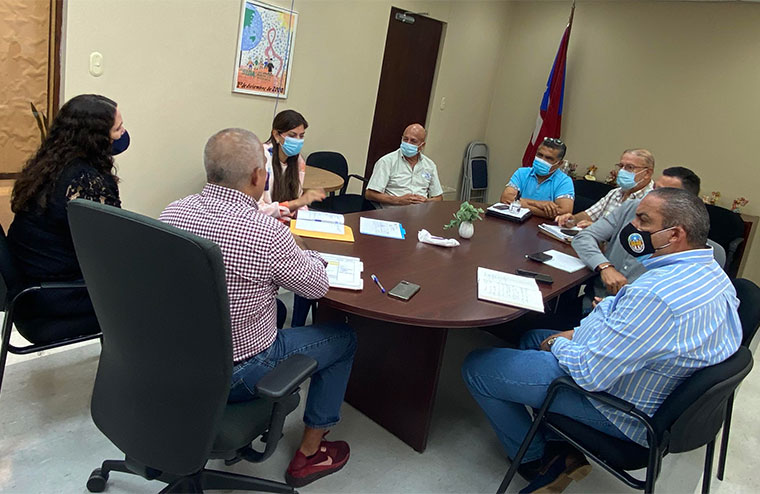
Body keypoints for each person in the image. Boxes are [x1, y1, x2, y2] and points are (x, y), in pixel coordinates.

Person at [462, 187, 741, 494]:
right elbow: (631, 318)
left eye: (643, 221)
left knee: (477, 367)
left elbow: (593, 374)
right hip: (652, 383)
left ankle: (535, 459)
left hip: (622, 409)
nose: (632, 227)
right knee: (531, 337)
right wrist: (592, 324)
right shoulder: (713, 273)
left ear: (674, 235)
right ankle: (559, 444)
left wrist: (559, 343)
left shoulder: (656, 297)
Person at [159, 128, 356, 488]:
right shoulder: (265, 233)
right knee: (343, 338)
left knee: (273, 311)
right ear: (256, 176)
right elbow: (316, 286)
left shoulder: (172, 213)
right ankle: (311, 454)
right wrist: (302, 250)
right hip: (236, 371)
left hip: (172, 359)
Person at [7, 94, 128, 344]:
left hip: (30, 290)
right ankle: (136, 378)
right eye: (117, 129)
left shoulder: (47, 166)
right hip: (56, 298)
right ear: (95, 137)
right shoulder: (87, 181)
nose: (123, 134)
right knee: (155, 290)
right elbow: (110, 251)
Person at [571, 166, 723, 313]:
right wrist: (605, 266)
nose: (652, 196)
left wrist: (615, 306)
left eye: (664, 193)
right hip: (594, 300)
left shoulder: (681, 247)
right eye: (654, 188)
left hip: (632, 314)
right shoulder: (632, 207)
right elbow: (584, 237)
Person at [556, 148, 655, 228]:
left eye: (629, 167)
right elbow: (590, 215)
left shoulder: (652, 202)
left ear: (647, 173)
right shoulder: (616, 192)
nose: (622, 171)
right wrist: (571, 219)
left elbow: (635, 237)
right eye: (621, 166)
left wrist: (598, 230)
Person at [258, 109, 325, 222]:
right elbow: (257, 209)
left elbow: (297, 200)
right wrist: (297, 203)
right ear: (276, 135)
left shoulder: (299, 161)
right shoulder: (261, 158)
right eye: (292, 135)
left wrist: (305, 214)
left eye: (301, 136)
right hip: (266, 224)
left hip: (289, 223)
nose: (298, 141)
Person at [365, 123, 443, 206]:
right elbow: (369, 194)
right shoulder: (387, 161)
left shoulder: (429, 165)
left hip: (420, 214)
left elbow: (439, 198)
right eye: (405, 139)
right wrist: (397, 200)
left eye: (413, 141)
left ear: (422, 145)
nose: (408, 143)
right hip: (393, 213)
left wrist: (426, 201)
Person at [500, 137, 574, 218]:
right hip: (516, 222)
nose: (542, 160)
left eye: (549, 158)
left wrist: (521, 203)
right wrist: (539, 204)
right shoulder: (522, 173)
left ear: (559, 163)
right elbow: (505, 199)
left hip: (542, 226)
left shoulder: (564, 181)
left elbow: (564, 212)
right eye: (539, 155)